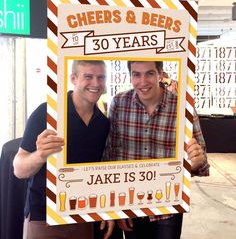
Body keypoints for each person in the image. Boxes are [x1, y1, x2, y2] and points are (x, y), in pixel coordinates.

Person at [103, 61, 210, 239]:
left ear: (161, 73)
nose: (143, 81)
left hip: (168, 208)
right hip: (130, 204)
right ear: (130, 76)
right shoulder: (119, 103)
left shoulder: (183, 108)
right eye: (136, 74)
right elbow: (110, 156)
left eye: (150, 73)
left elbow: (201, 158)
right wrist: (115, 207)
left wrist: (197, 161)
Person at [13, 60, 116, 239]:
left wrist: (106, 208)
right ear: (73, 79)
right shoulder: (47, 113)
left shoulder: (103, 123)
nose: (96, 83)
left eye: (101, 77)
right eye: (88, 77)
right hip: (44, 216)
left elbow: (100, 171)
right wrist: (40, 155)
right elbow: (19, 169)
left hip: (83, 215)